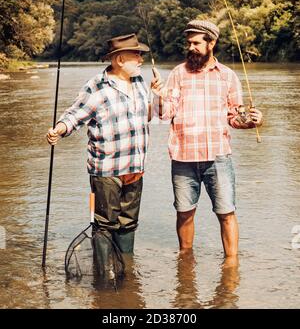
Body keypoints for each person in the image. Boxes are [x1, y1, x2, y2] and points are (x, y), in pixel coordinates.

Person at [151, 20, 263, 257]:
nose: (191, 47)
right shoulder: (178, 74)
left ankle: (231, 265)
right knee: (184, 212)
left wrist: (254, 120)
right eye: (188, 43)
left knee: (226, 212)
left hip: (218, 157)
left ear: (211, 43)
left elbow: (235, 117)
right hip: (183, 156)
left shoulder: (228, 76)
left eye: (196, 43)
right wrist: (158, 98)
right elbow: (164, 114)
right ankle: (185, 262)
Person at [47, 33, 160, 254]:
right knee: (105, 224)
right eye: (136, 55)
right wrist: (58, 130)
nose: (141, 59)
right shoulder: (97, 86)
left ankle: (126, 274)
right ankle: (105, 282)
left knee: (129, 223)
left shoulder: (139, 82)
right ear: (119, 60)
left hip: (135, 167)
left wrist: (156, 96)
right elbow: (75, 115)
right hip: (107, 170)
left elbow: (146, 117)